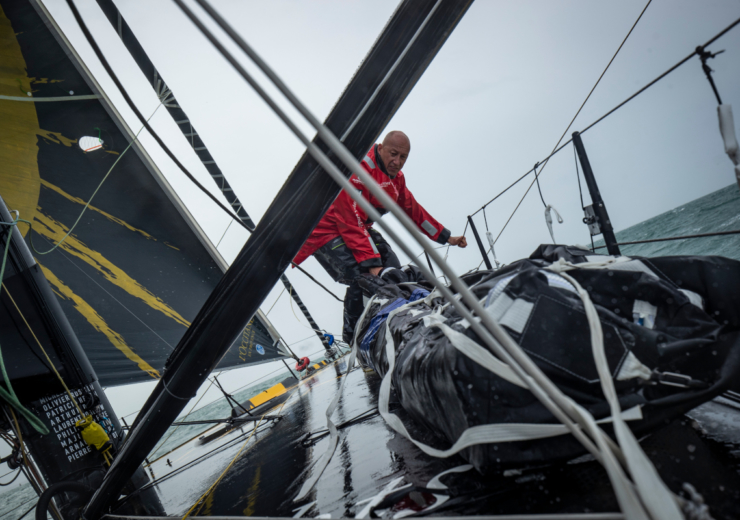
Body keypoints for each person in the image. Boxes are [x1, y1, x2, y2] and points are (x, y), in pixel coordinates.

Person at [294, 131, 467, 343]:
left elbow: (413, 210)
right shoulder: (358, 170)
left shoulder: (397, 179)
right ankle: (355, 340)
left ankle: (400, 323)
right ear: (381, 148)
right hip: (326, 230)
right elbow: (348, 218)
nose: (397, 162)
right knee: (362, 276)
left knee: (393, 269)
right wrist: (371, 262)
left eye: (403, 157)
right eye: (393, 154)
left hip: (359, 226)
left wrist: (446, 237)